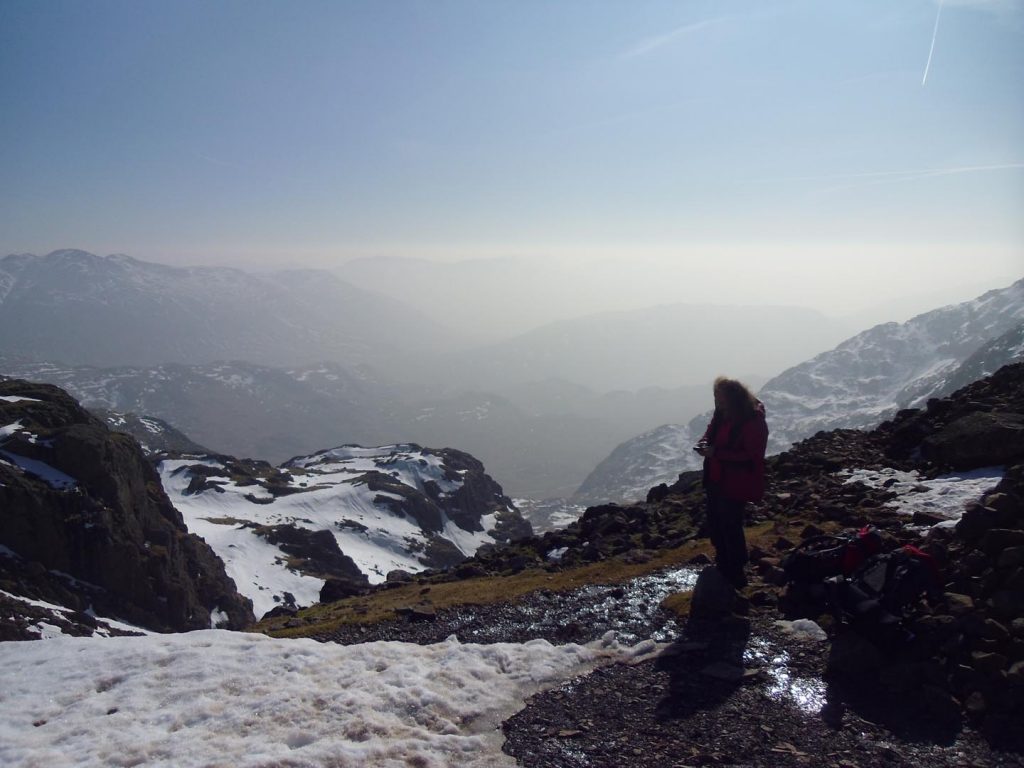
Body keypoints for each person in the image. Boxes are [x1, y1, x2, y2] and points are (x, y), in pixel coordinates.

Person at [694, 377, 769, 589]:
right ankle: (723, 563)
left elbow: (752, 455)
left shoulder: (752, 419)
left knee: (731, 525)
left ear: (733, 397)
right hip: (716, 478)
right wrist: (704, 443)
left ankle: (736, 573)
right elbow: (711, 432)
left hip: (735, 481)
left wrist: (717, 453)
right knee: (716, 523)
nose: (717, 401)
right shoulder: (722, 413)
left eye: (720, 397)